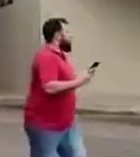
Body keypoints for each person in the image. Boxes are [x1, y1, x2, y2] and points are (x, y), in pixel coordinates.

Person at [24, 18, 95, 157]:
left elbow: (64, 82)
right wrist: (79, 81)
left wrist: (81, 76)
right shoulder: (46, 57)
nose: (71, 36)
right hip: (46, 126)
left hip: (67, 123)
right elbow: (49, 87)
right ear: (58, 35)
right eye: (67, 32)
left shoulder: (61, 56)